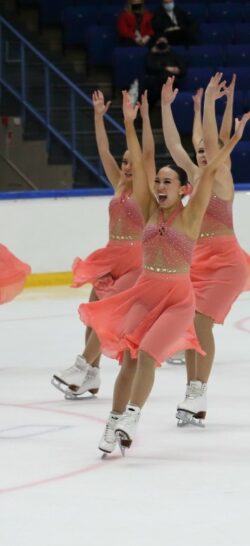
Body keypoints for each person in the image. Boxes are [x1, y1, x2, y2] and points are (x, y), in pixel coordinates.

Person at [81, 91, 250, 455]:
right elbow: (142, 159)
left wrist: (231, 141)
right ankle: (113, 422)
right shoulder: (146, 209)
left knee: (146, 356)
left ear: (183, 190)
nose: (159, 186)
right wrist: (129, 122)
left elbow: (208, 171)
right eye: (157, 181)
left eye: (167, 182)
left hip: (176, 300)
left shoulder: (191, 216)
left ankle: (131, 416)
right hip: (145, 293)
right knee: (127, 359)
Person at [160, 74, 250, 427]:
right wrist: (165, 106)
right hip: (198, 262)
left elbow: (210, 141)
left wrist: (209, 104)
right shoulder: (195, 177)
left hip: (226, 265)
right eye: (200, 151)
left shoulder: (222, 178)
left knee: (201, 323)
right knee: (191, 325)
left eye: (208, 150)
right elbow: (174, 147)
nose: (203, 154)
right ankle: (194, 392)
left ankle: (198, 389)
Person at [51, 91, 145, 399]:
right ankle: (91, 375)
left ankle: (81, 366)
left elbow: (137, 155)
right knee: (93, 316)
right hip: (110, 255)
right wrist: (98, 117)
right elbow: (103, 150)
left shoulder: (145, 190)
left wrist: (132, 123)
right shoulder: (119, 182)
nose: (127, 167)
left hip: (134, 260)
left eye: (133, 162)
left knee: (107, 314)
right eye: (125, 162)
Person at [143, 37, 184, 108]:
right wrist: (167, 68)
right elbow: (149, 67)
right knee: (151, 89)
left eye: (164, 40)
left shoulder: (173, 54)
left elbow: (182, 69)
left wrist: (177, 70)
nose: (161, 42)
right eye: (159, 40)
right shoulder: (151, 54)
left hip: (171, 83)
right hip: (155, 82)